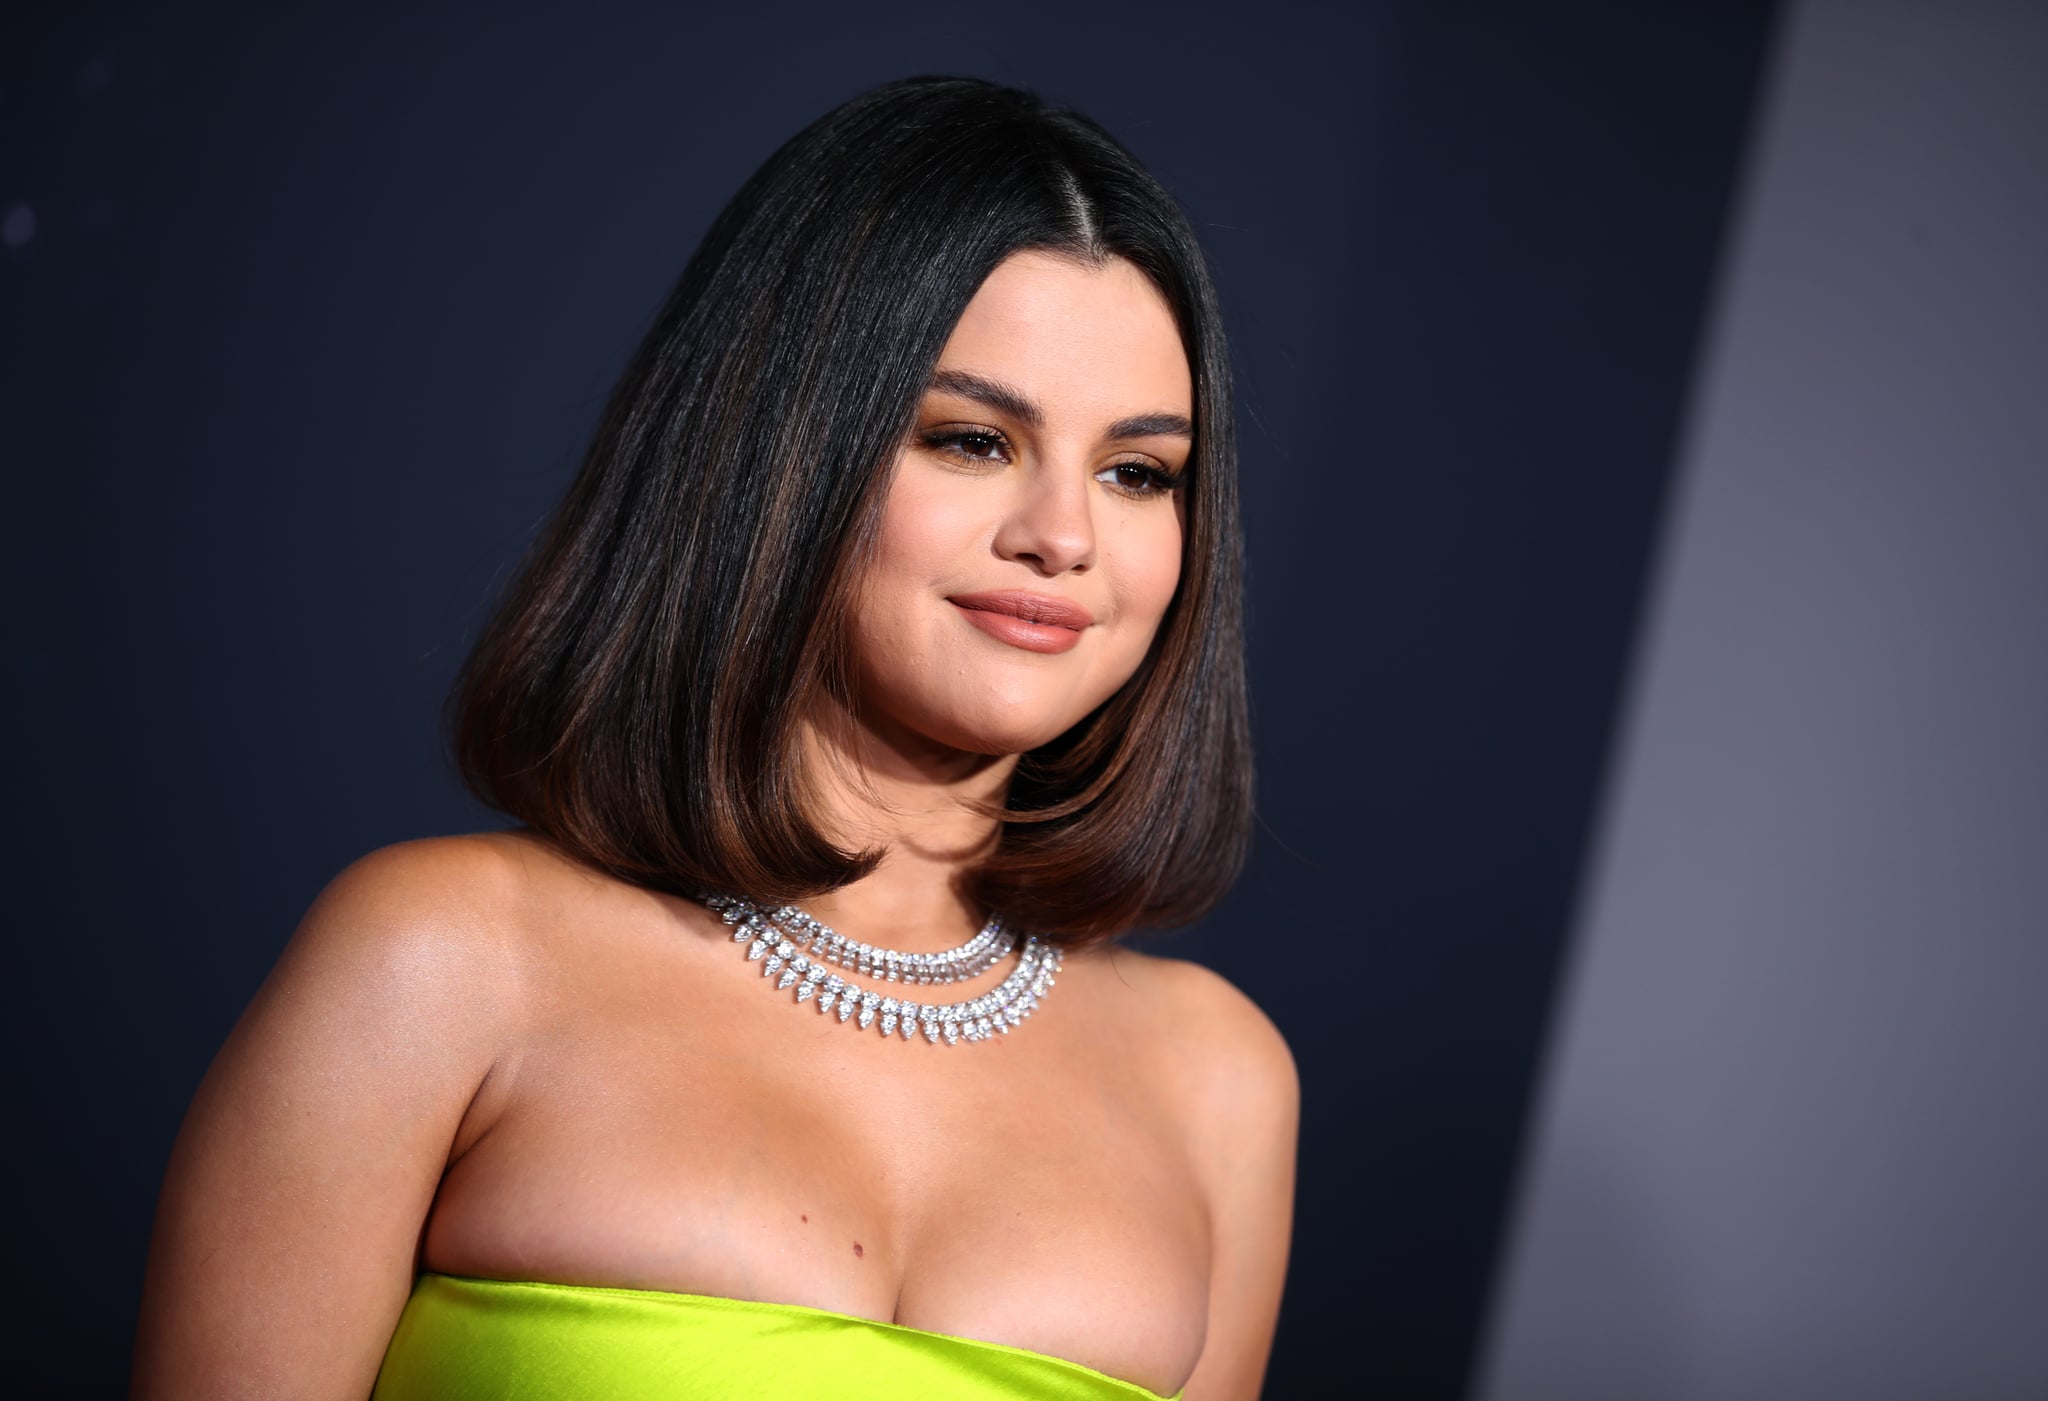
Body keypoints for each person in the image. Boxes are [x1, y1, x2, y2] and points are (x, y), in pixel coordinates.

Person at [132, 75, 1297, 1401]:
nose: (1066, 537)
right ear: (782, 453)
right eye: (972, 439)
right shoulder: (442, 958)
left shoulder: (1219, 1080)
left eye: (1138, 471)